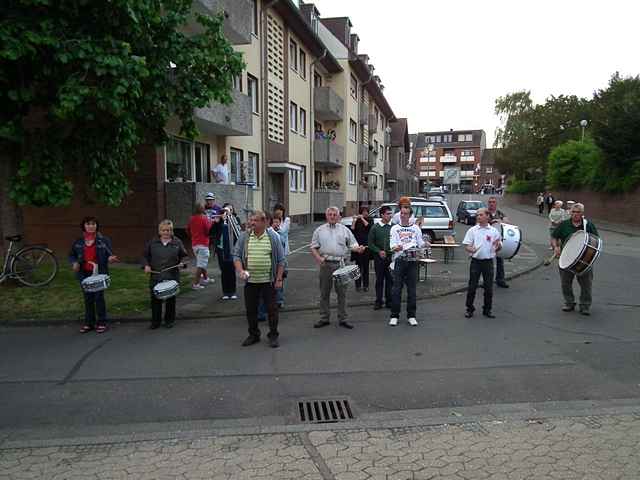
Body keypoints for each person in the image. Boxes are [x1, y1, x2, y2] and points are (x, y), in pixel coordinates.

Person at [233, 210, 285, 348]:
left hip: (269, 281)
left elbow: (281, 260)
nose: (251, 223)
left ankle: (273, 335)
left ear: (264, 222)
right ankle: (254, 334)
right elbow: (237, 256)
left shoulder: (273, 238)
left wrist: (279, 279)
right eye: (251, 220)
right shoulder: (245, 237)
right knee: (251, 310)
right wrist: (240, 270)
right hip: (251, 282)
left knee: (272, 310)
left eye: (255, 220)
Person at [310, 206, 365, 329]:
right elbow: (313, 247)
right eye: (330, 214)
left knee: (342, 293)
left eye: (335, 214)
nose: (332, 217)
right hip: (326, 265)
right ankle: (324, 318)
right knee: (324, 293)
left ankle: (343, 319)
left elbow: (353, 244)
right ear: (326, 216)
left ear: (339, 216)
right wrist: (319, 258)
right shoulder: (319, 231)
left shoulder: (345, 230)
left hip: (341, 264)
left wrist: (358, 249)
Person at [70, 216, 118, 334]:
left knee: (98, 297)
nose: (91, 226)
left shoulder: (103, 240)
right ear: (84, 226)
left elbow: (109, 255)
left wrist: (111, 259)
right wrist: (74, 262)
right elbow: (72, 255)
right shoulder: (78, 241)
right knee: (88, 298)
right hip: (84, 273)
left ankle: (102, 322)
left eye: (93, 224)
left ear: (97, 226)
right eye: (88, 224)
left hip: (99, 273)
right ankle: (89, 323)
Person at [551, 203, 599, 316]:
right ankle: (569, 302)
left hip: (584, 260)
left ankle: (585, 305)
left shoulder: (588, 225)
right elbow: (554, 237)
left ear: (582, 213)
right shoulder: (564, 225)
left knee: (586, 284)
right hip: (566, 259)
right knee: (565, 283)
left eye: (578, 212)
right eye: (573, 212)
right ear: (570, 212)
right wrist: (556, 247)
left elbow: (596, 240)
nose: (575, 214)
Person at [143, 220, 189, 329]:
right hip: (156, 275)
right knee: (155, 299)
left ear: (171, 231)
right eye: (163, 230)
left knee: (170, 299)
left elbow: (185, 256)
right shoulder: (152, 242)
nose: (166, 232)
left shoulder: (177, 242)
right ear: (159, 231)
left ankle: (169, 320)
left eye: (168, 230)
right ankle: (155, 321)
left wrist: (183, 263)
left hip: (171, 275)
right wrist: (146, 265)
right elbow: (144, 256)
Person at [388, 205, 427, 326]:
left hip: (412, 261)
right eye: (401, 213)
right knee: (396, 289)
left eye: (405, 214)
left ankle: (411, 315)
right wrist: (396, 247)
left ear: (410, 216)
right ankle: (394, 315)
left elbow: (420, 243)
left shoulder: (416, 228)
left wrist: (426, 243)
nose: (403, 216)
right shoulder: (394, 228)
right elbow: (392, 245)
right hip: (399, 260)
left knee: (412, 290)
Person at [462, 208, 502, 319]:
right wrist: (471, 249)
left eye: (481, 215)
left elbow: (498, 246)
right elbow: (467, 246)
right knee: (472, 287)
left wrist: (498, 246)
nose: (478, 217)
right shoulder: (473, 230)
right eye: (477, 215)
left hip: (488, 262)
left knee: (489, 287)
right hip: (476, 262)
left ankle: (487, 309)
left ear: (487, 216)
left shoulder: (494, 231)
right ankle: (469, 309)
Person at [368, 205, 394, 310]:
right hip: (379, 257)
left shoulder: (394, 227)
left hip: (391, 256)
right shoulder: (375, 227)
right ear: (382, 215)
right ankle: (378, 301)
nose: (390, 216)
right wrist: (378, 251)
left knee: (390, 280)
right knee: (379, 280)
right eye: (388, 214)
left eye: (390, 213)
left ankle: (389, 301)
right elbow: (370, 243)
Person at [187, 202, 212, 290]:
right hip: (203, 244)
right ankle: (196, 284)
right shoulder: (204, 218)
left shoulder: (191, 218)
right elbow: (208, 231)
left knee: (201, 262)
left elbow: (188, 230)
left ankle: (206, 278)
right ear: (202, 209)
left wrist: (193, 236)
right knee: (201, 264)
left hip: (194, 244)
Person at [217, 203, 239, 300]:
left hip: (232, 248)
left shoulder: (235, 219)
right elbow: (212, 232)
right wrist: (218, 222)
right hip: (221, 249)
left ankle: (232, 291)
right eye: (226, 210)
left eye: (230, 209)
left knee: (231, 271)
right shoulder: (220, 221)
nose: (228, 211)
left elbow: (238, 232)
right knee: (224, 271)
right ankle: (225, 292)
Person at [486, 196, 509, 288]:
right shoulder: (485, 213)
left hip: (498, 240)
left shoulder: (500, 213)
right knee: (487, 262)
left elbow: (508, 223)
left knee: (500, 260)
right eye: (490, 202)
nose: (491, 204)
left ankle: (500, 279)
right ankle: (487, 281)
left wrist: (500, 220)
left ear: (496, 204)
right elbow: (478, 223)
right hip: (487, 241)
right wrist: (490, 222)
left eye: (493, 202)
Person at [350, 206, 372, 292]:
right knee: (357, 267)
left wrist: (362, 218)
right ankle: (358, 285)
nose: (365, 213)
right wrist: (354, 220)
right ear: (360, 212)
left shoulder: (370, 219)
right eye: (363, 211)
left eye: (366, 211)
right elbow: (352, 230)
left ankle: (366, 285)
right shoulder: (357, 220)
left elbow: (368, 227)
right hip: (357, 247)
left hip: (366, 246)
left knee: (366, 267)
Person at [272, 203, 290, 307]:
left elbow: (284, 232)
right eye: (277, 210)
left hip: (282, 251)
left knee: (280, 275)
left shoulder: (286, 220)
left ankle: (280, 300)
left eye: (280, 210)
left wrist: (276, 227)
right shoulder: (272, 220)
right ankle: (275, 298)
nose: (279, 211)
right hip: (273, 252)